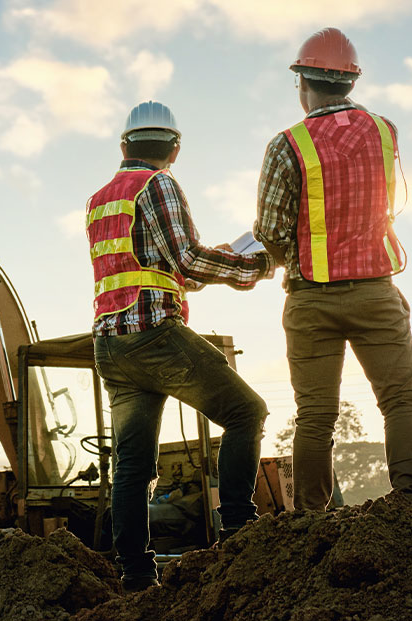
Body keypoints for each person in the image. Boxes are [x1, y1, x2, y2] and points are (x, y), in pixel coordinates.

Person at [88, 100, 274, 592]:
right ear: (175, 149)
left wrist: (216, 262)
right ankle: (238, 532)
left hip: (111, 345)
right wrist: (252, 267)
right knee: (246, 413)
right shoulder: (159, 184)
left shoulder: (100, 199)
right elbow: (187, 260)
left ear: (124, 145)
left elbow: (156, 269)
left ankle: (135, 574)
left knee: (133, 465)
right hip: (154, 336)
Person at [252, 27, 412, 511]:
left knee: (315, 415)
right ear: (351, 82)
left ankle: (312, 520)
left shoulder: (287, 145)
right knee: (401, 400)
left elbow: (271, 231)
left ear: (302, 83)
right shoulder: (385, 131)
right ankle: (411, 504)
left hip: (311, 298)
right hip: (376, 293)